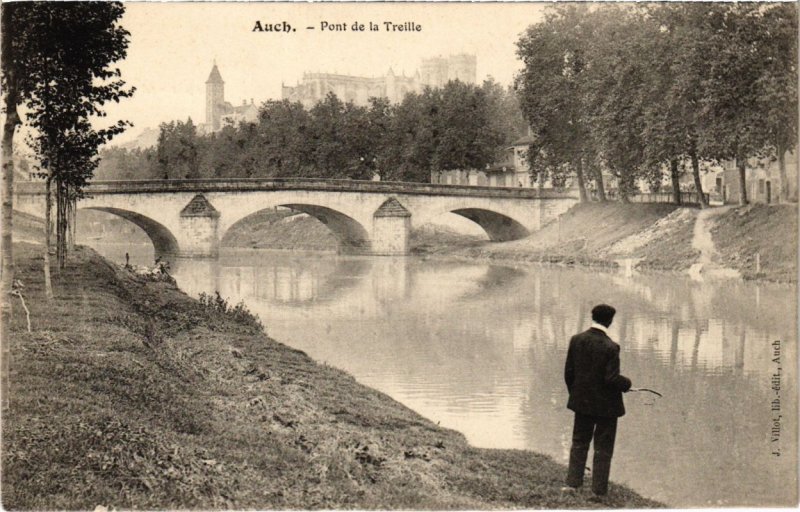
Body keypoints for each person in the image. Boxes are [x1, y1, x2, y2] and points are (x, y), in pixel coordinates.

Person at [562, 304, 631, 497]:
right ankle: (598, 491)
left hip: (582, 403)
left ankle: (572, 483)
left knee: (579, 442)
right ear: (609, 321)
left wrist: (577, 395)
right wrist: (626, 384)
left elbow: (569, 374)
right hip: (606, 408)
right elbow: (611, 379)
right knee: (603, 447)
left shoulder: (576, 340)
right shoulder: (611, 347)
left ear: (592, 317)